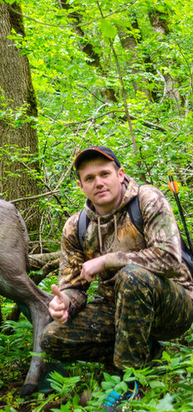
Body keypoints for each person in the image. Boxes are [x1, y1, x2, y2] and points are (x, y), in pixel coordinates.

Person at [40, 146, 193, 411]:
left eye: (104, 174)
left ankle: (129, 381)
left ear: (120, 174)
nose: (98, 182)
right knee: (51, 337)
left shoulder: (147, 200)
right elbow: (73, 286)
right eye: (89, 178)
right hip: (120, 310)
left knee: (131, 276)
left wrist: (108, 259)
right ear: (81, 185)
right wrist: (65, 303)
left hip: (174, 304)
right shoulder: (77, 227)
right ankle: (148, 353)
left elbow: (169, 258)